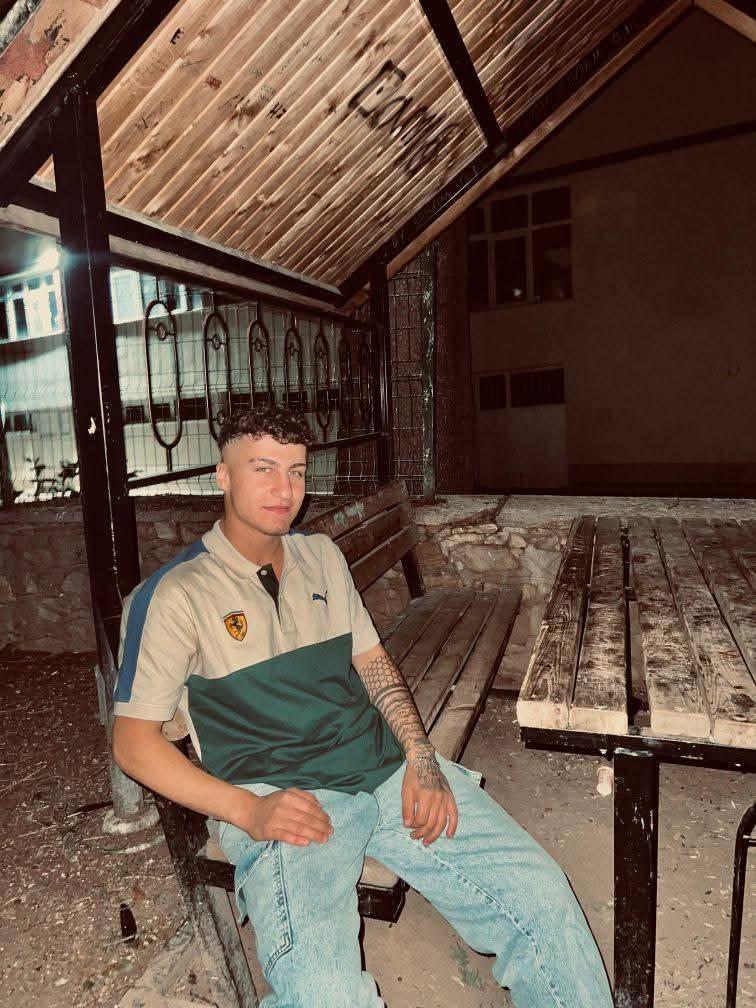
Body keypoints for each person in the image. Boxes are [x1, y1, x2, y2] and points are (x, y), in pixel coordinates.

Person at [112, 404, 614, 1008]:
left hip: (381, 768)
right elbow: (132, 743)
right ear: (223, 475)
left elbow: (374, 665)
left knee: (541, 899)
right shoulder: (175, 595)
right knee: (325, 994)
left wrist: (421, 759)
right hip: (288, 801)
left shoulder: (320, 556)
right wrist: (248, 810)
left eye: (296, 471)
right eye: (263, 468)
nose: (284, 490)